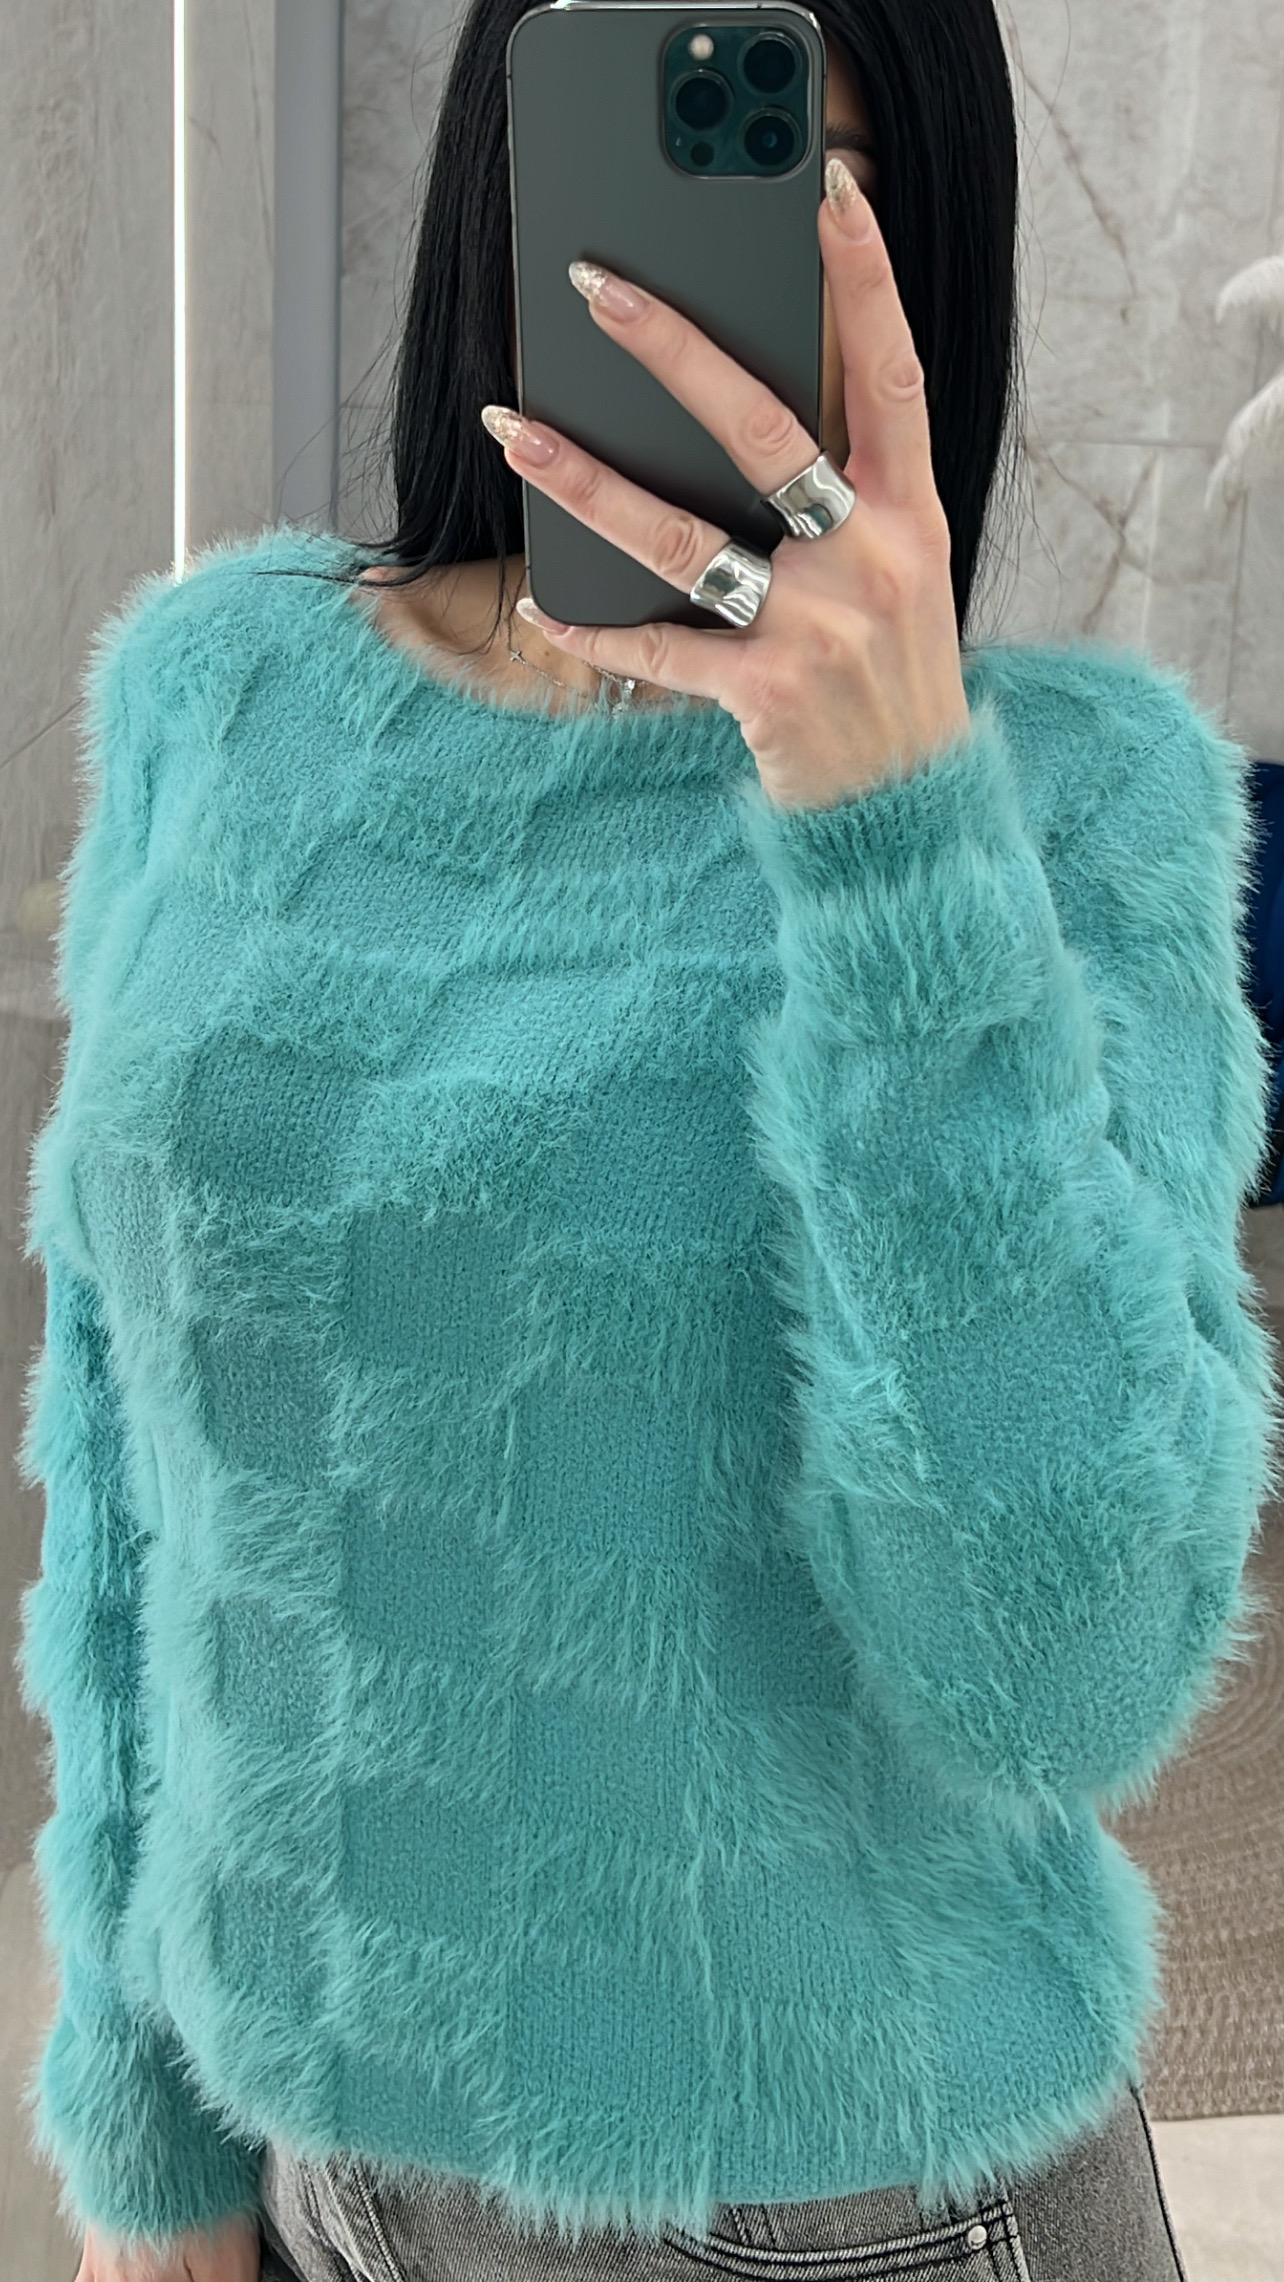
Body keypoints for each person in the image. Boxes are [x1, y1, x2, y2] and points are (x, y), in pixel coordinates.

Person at [16, 2, 1277, 2278]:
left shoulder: (1074, 805)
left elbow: (1064, 1666)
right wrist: (142, 2128)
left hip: (856, 2215)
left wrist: (897, 839)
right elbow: (130, 1449)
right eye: (647, 153)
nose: (701, 267)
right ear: (510, 181)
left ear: (922, 254)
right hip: (320, 2182)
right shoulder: (227, 693)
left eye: (808, 176)